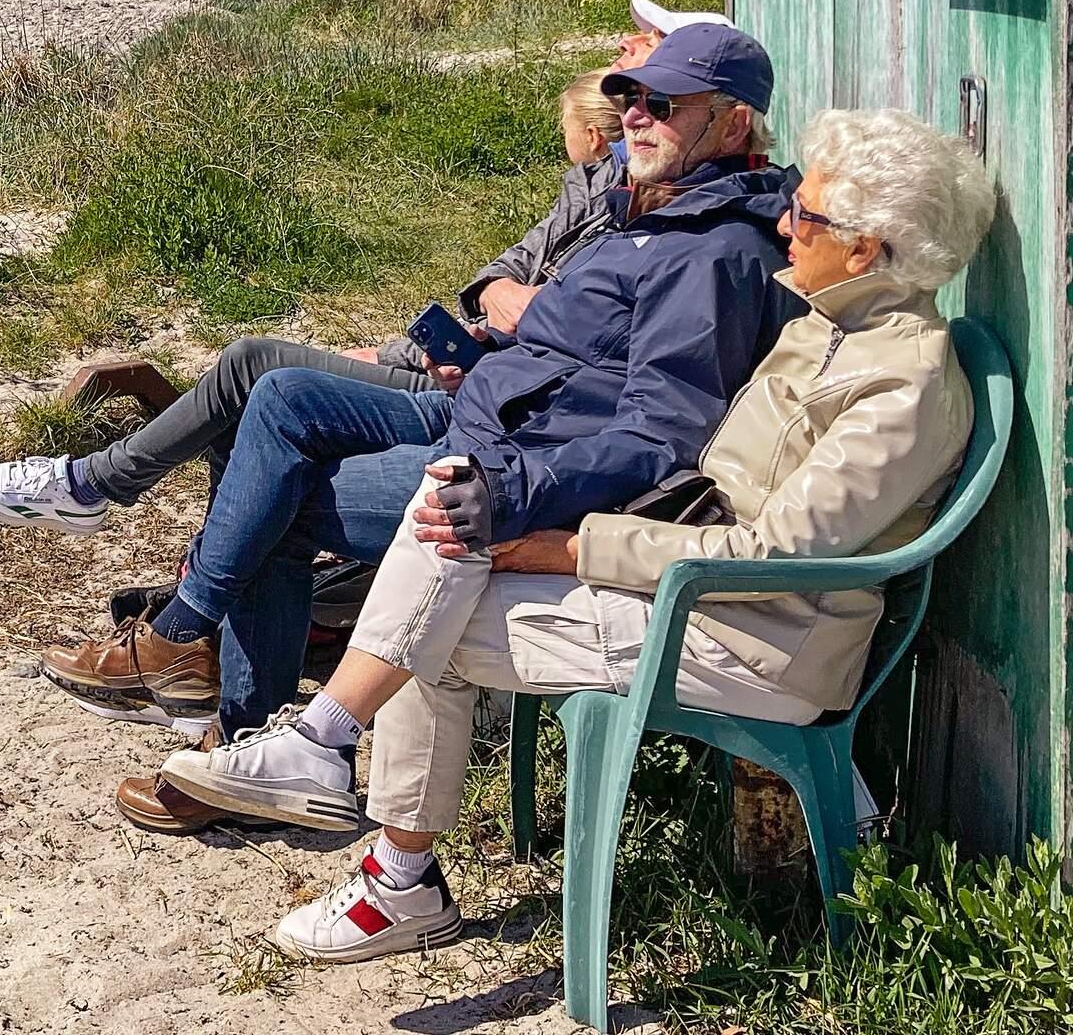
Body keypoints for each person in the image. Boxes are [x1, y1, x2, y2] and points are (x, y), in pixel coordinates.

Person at [158, 107, 994, 961]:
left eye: (805, 214)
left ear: (863, 249)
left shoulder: (902, 388)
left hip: (756, 639)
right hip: (695, 587)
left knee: (425, 626)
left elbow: (768, 558)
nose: (785, 223)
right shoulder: (830, 326)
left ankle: (376, 843)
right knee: (449, 509)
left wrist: (573, 547)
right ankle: (332, 767)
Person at [49, 23, 797, 830]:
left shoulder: (712, 254)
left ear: (732, 125)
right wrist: (484, 352)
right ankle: (199, 666)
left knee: (276, 503)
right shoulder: (657, 215)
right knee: (283, 394)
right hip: (487, 417)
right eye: (633, 98)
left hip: (514, 470)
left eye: (665, 104)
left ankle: (232, 721)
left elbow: (660, 433)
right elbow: (583, 352)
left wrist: (510, 488)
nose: (637, 116)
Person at [0, 0, 717, 536]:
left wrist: (433, 341)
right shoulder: (606, 184)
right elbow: (502, 274)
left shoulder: (658, 216)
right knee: (253, 388)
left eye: (643, 46)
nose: (624, 50)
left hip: (482, 399)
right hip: (475, 374)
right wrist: (489, 297)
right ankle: (185, 596)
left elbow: (565, 347)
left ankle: (107, 502)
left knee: (257, 373)